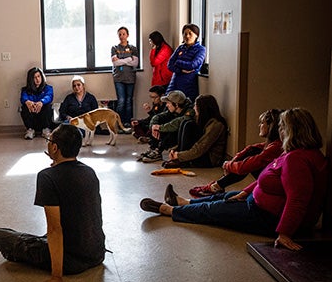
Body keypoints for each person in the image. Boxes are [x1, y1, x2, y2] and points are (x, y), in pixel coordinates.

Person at [140, 108, 328, 251]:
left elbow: (298, 200)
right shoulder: (294, 153)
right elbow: (267, 176)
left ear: (293, 131)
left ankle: (170, 210)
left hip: (266, 216)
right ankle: (183, 202)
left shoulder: (298, 160)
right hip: (257, 202)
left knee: (212, 210)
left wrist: (285, 233)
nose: (279, 132)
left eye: (282, 128)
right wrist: (246, 192)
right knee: (225, 196)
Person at [0, 124, 107, 282]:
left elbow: (54, 229)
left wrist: (57, 276)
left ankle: (22, 254)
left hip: (72, 261)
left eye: (49, 140)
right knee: (42, 237)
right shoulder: (89, 172)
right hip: (96, 253)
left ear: (54, 147)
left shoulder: (47, 177)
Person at [189, 109, 283, 197]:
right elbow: (252, 148)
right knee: (252, 152)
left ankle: (217, 186)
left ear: (271, 126)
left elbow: (244, 167)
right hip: (270, 179)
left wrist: (227, 165)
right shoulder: (274, 144)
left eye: (262, 123)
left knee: (249, 162)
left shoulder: (276, 147)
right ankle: (217, 186)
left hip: (277, 186)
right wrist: (235, 159)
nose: (259, 126)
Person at [162, 94, 227, 168]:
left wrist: (179, 156)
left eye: (195, 106)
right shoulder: (203, 120)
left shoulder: (216, 125)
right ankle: (181, 160)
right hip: (201, 154)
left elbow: (200, 148)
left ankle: (183, 162)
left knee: (189, 125)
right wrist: (175, 150)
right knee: (185, 122)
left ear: (202, 108)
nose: (194, 108)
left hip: (209, 159)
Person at [139, 90, 195, 163]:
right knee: (160, 122)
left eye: (168, 103)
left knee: (170, 128)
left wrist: (160, 127)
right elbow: (158, 116)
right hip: (176, 138)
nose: (166, 105)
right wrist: (154, 126)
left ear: (176, 104)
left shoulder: (190, 111)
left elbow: (178, 122)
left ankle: (158, 150)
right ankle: (154, 148)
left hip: (188, 141)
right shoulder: (174, 110)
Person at [167, 23, 206, 102]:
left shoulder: (201, 49)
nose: (187, 36)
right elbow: (169, 65)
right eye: (185, 34)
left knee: (184, 106)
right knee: (168, 103)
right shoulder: (180, 48)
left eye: (190, 34)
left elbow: (193, 65)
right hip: (175, 81)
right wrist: (180, 70)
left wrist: (178, 62)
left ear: (196, 35)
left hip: (189, 83)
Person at [110, 26, 139, 127]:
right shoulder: (114, 48)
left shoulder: (133, 48)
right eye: (120, 34)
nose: (122, 36)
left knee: (129, 101)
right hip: (118, 78)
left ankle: (128, 123)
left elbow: (135, 63)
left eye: (123, 34)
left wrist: (122, 61)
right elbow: (115, 63)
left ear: (127, 35)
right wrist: (128, 59)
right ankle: (120, 123)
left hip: (130, 78)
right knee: (121, 101)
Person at [20, 67, 54, 140]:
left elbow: (49, 96)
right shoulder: (25, 90)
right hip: (32, 116)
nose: (37, 79)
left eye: (39, 76)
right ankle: (30, 130)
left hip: (44, 118)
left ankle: (46, 130)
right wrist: (28, 102)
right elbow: (23, 98)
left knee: (48, 105)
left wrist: (41, 102)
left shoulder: (48, 88)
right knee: (24, 106)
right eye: (35, 77)